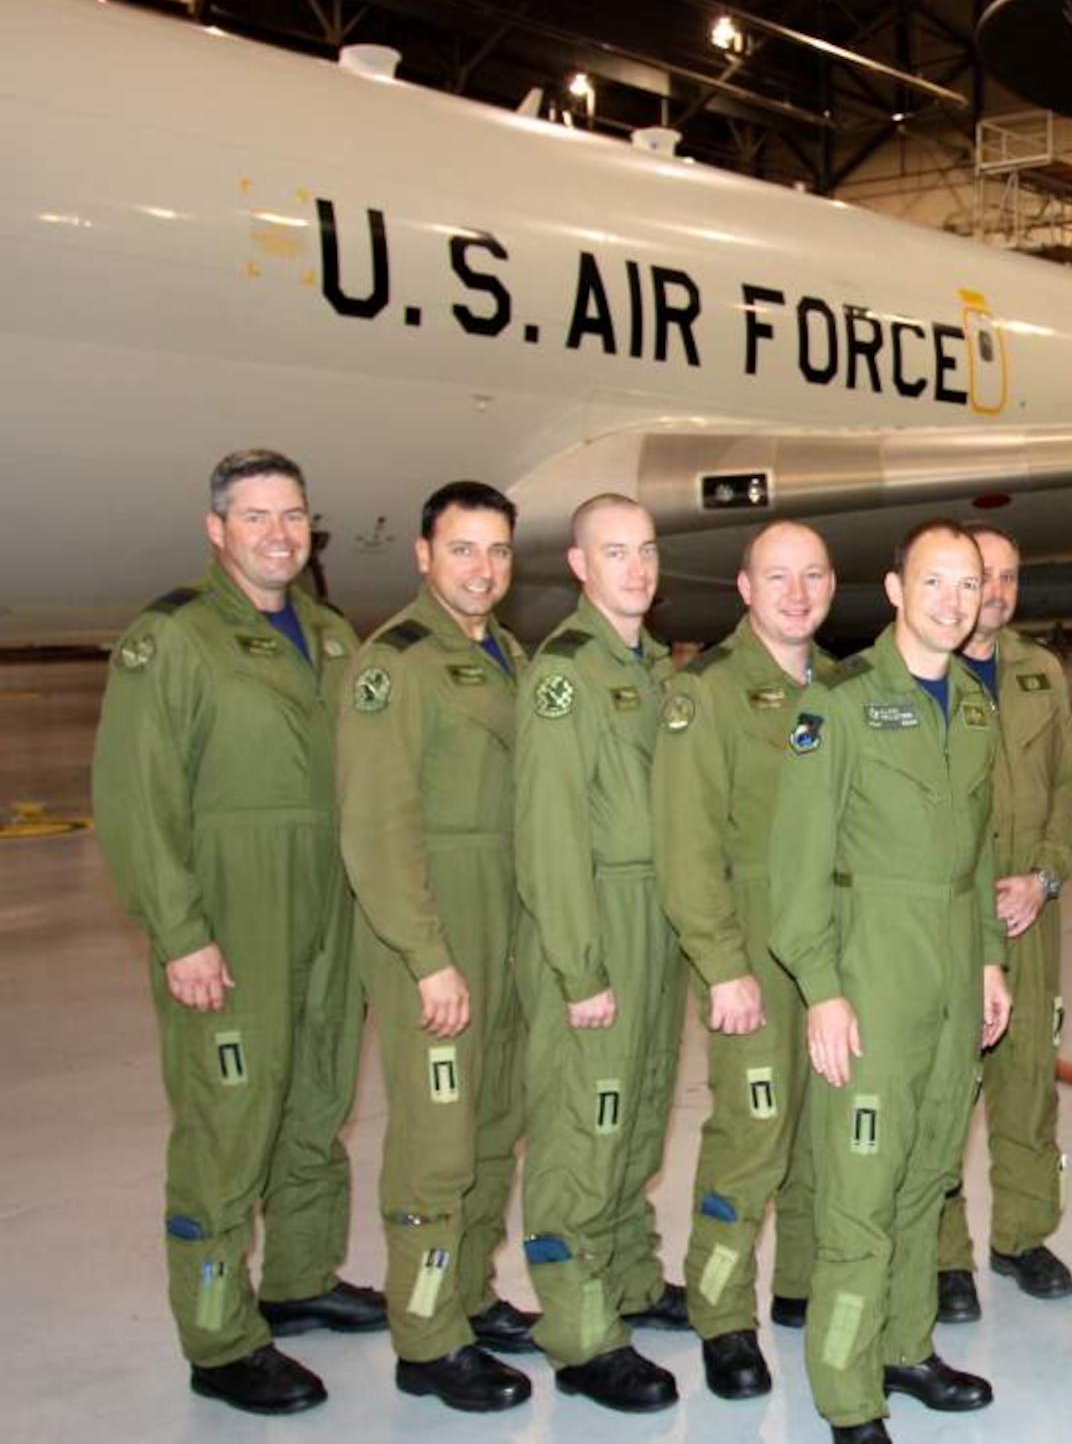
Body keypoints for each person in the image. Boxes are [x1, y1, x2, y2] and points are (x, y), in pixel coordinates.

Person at [93, 449, 379, 1415]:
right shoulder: (173, 637)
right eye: (255, 517)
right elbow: (136, 800)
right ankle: (218, 1338)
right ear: (217, 530)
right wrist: (180, 933)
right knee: (226, 1125)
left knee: (315, 1098)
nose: (277, 534)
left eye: (292, 515)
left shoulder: (334, 636)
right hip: (231, 913)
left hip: (329, 913)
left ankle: (299, 1279)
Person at [769, 518, 1014, 1444]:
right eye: (936, 583)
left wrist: (989, 953)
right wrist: (823, 989)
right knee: (861, 1195)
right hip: (872, 972)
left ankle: (906, 1345)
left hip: (952, 970)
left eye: (969, 584)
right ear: (895, 588)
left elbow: (982, 845)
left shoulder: (974, 705)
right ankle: (845, 1389)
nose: (954, 602)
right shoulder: (837, 703)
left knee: (926, 1177)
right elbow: (795, 872)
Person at [337, 481, 538, 1412]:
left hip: (503, 927)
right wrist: (425, 954)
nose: (483, 569)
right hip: (438, 928)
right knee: (435, 1139)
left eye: (498, 550)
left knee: (494, 1126)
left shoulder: (504, 653)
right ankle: (424, 1333)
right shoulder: (398, 663)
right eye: (463, 549)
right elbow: (377, 829)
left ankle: (468, 1292)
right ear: (423, 554)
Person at [657, 519, 838, 1399]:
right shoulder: (712, 690)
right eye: (778, 576)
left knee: (820, 1130)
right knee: (752, 1130)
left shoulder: (841, 686)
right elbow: (687, 845)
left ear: (833, 585)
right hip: (755, 951)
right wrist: (722, 963)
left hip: (831, 949)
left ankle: (800, 1282)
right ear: (744, 587)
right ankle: (723, 1315)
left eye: (811, 575)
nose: (796, 592)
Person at [514, 494, 684, 1413]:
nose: (637, 568)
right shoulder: (566, 674)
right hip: (598, 920)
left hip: (653, 919)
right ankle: (580, 1333)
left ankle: (629, 1280)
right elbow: (547, 835)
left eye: (647, 550)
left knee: (641, 1106)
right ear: (580, 566)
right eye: (614, 552)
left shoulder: (652, 666)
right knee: (585, 1126)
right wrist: (581, 968)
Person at [937, 523, 1072, 1315]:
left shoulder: (1041, 672)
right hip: (948, 919)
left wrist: (1045, 875)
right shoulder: (919, 670)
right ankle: (943, 1252)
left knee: (1028, 1081)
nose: (992, 591)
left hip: (1028, 914)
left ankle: (1023, 1234)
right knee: (944, 1088)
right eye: (979, 574)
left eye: (1007, 576)